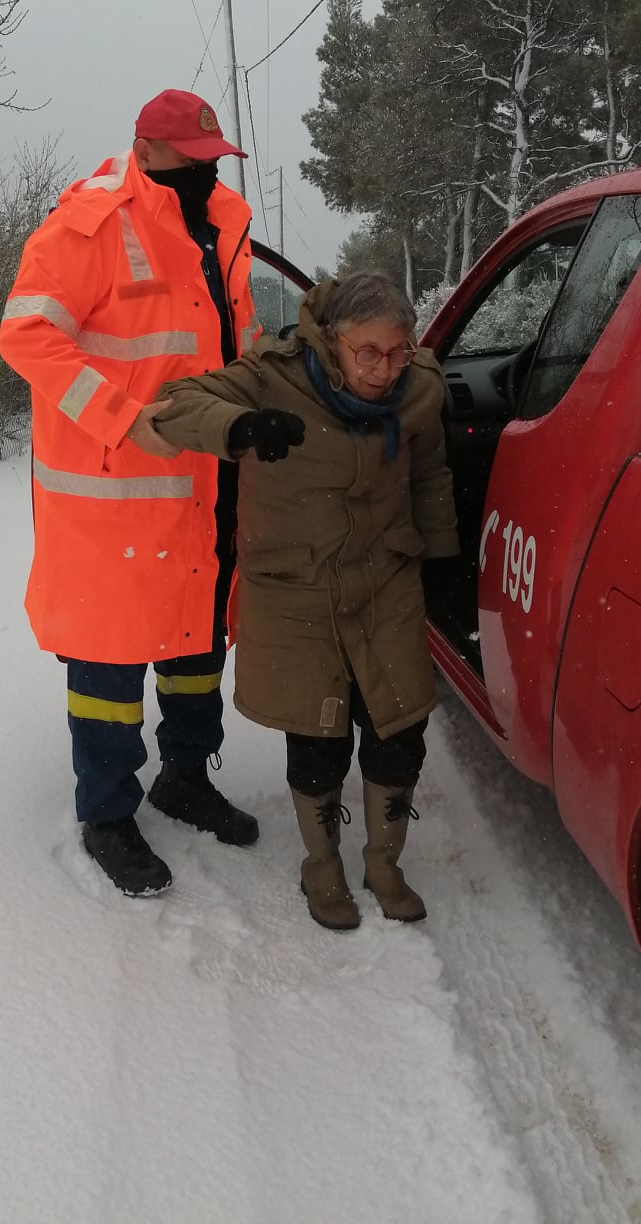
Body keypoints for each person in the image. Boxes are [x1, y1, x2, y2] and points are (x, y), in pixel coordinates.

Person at [134, 271, 459, 929]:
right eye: (367, 352)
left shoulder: (418, 389)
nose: (384, 369)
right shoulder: (274, 373)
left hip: (384, 579)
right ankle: (323, 865)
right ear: (331, 339)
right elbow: (174, 406)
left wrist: (443, 559)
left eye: (397, 351)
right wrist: (243, 427)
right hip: (296, 585)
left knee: (400, 729)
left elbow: (428, 474)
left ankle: (384, 862)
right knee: (318, 736)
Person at [0, 88, 263, 899]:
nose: (204, 173)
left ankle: (184, 774)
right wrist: (124, 419)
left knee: (196, 638)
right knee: (110, 655)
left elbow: (231, 341)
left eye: (213, 160)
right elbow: (26, 335)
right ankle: (106, 810)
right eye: (190, 158)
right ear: (146, 149)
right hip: (114, 490)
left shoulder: (221, 222)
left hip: (202, 482)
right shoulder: (90, 224)